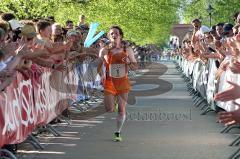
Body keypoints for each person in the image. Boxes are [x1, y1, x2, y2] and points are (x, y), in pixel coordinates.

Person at [99, 26, 137, 142]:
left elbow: (135, 67)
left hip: (122, 82)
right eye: (111, 34)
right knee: (109, 109)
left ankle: (117, 132)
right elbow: (99, 66)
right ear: (108, 36)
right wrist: (101, 75)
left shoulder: (127, 49)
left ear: (120, 35)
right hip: (110, 81)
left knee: (121, 109)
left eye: (116, 33)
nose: (114, 35)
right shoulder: (104, 50)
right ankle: (113, 104)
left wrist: (129, 62)